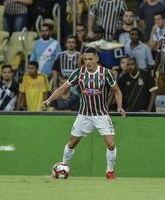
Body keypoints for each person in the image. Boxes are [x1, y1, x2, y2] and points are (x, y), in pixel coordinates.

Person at [42, 47, 126, 180]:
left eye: (90, 59)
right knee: (72, 144)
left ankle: (110, 171)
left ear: (97, 59)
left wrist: (120, 107)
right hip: (84, 115)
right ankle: (63, 166)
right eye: (85, 59)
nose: (88, 62)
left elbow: (117, 91)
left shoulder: (106, 73)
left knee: (111, 144)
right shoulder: (79, 73)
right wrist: (49, 100)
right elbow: (62, 88)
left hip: (101, 114)